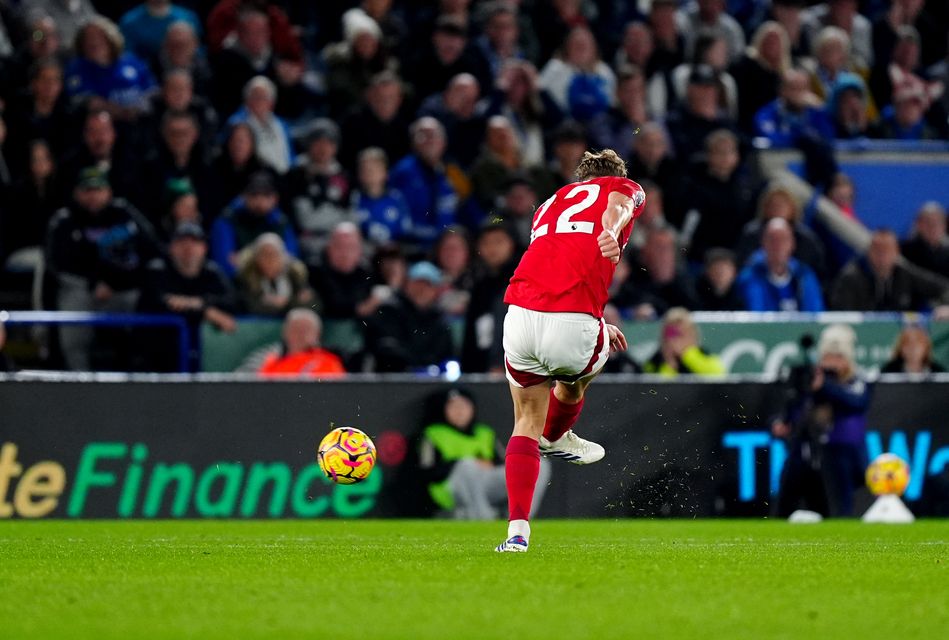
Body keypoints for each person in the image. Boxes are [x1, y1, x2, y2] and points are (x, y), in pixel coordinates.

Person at [495, 149, 645, 552]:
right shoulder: (623, 187)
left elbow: (558, 262)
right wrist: (611, 231)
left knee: (525, 419)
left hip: (520, 316)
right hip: (573, 323)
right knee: (578, 375)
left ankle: (516, 535)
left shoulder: (546, 206)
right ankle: (557, 434)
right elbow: (618, 204)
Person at [772, 324, 871, 517]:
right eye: (828, 357)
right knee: (787, 500)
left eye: (838, 357)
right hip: (806, 452)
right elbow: (791, 410)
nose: (832, 363)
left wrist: (824, 386)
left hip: (842, 454)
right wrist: (780, 423)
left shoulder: (856, 380)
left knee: (840, 506)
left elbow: (857, 402)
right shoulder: (811, 379)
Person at [414, 387, 550, 520]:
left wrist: (489, 464)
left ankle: (519, 519)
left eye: (464, 406)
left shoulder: (484, 433)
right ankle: (483, 518)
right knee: (467, 465)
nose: (460, 412)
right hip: (451, 489)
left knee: (537, 464)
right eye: (453, 407)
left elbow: (503, 462)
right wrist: (462, 463)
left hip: (486, 484)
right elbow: (426, 472)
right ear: (444, 410)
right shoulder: (433, 433)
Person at [138, 222, 237, 371]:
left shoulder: (212, 272)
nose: (188, 248)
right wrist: (206, 312)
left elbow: (232, 302)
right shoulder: (157, 269)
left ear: (204, 248)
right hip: (156, 354)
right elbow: (159, 304)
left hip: (200, 356)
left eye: (194, 242)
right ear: (171, 247)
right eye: (182, 242)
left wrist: (197, 303)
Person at [365, 261, 456, 373]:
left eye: (427, 285)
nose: (421, 290)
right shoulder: (390, 311)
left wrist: (426, 369)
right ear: (407, 284)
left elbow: (445, 355)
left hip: (432, 381)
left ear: (436, 290)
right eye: (417, 283)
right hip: (393, 379)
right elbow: (386, 347)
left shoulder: (440, 320)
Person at [738, 218, 825, 312]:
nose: (778, 245)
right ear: (763, 243)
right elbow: (755, 313)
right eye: (772, 239)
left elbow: (815, 314)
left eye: (783, 239)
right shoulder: (750, 276)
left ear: (792, 243)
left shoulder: (804, 275)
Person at [236, 232, 315, 316]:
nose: (270, 260)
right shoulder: (246, 276)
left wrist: (286, 302)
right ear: (256, 258)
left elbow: (313, 305)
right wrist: (293, 303)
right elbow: (248, 307)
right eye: (265, 255)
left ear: (284, 256)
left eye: (274, 254)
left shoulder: (296, 274)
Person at [257, 308, 346, 377]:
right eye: (295, 329)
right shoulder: (272, 362)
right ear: (285, 332)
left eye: (305, 330)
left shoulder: (327, 362)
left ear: (317, 334)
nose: (300, 334)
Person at [641, 307, 726, 376]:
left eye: (681, 334)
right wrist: (670, 364)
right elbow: (652, 390)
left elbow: (717, 375)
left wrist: (687, 355)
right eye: (671, 334)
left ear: (692, 335)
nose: (675, 340)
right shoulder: (655, 361)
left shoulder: (704, 355)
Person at [881, 325, 946, 375]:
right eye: (908, 345)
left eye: (917, 346)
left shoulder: (938, 373)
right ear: (901, 348)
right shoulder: (889, 372)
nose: (913, 350)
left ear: (926, 348)